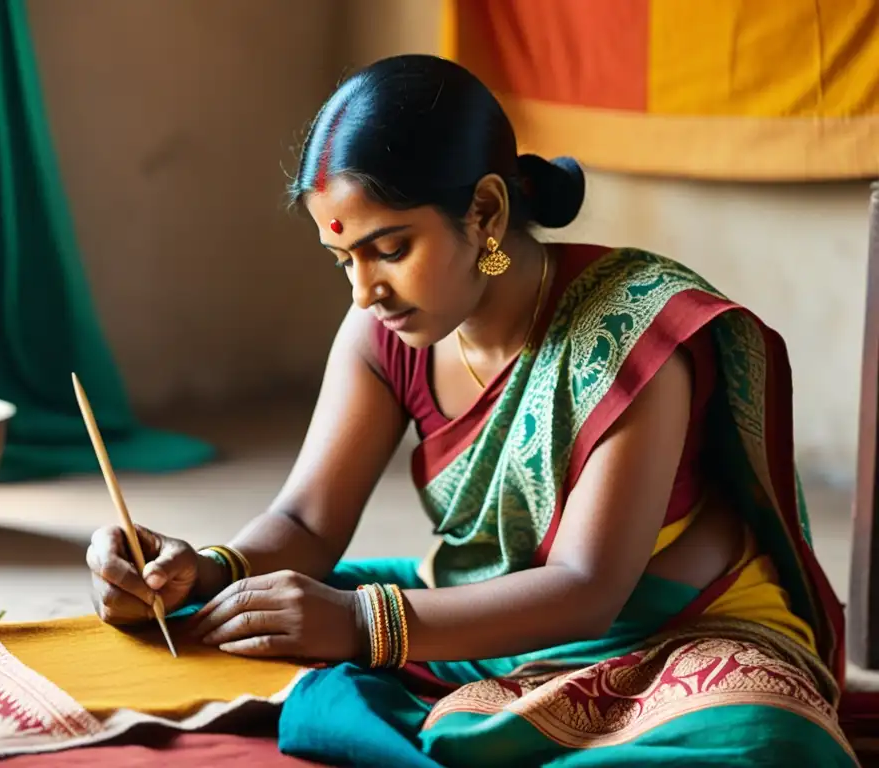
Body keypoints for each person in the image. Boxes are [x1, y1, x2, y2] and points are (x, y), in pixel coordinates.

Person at [85, 54, 856, 766]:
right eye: (343, 260)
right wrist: (202, 572)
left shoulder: (630, 331)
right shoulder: (380, 335)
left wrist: (363, 625)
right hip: (484, 617)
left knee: (765, 741)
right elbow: (309, 524)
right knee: (242, 620)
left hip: (676, 636)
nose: (363, 291)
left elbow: (589, 586)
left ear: (485, 211)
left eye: (390, 249)